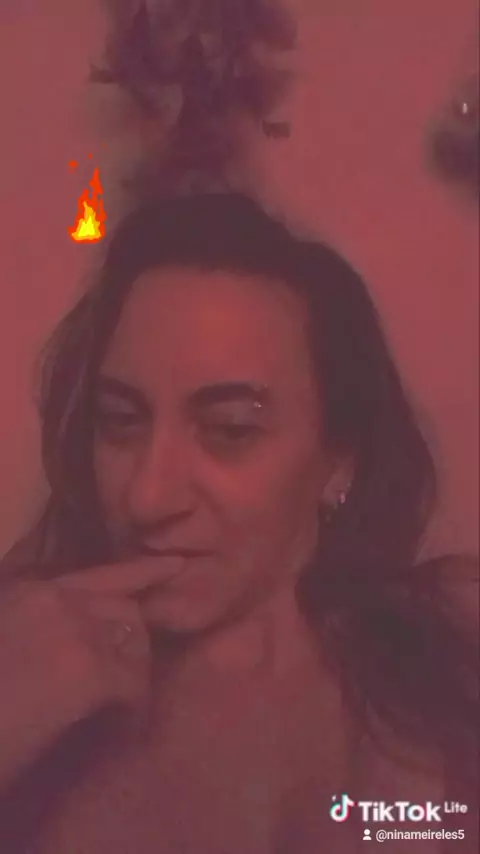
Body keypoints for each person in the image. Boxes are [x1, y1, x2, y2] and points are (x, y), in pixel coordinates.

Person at [0, 192, 477, 853]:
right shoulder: (21, 656)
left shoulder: (448, 647)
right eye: (120, 422)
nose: (148, 496)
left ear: (339, 461)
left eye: (229, 430)